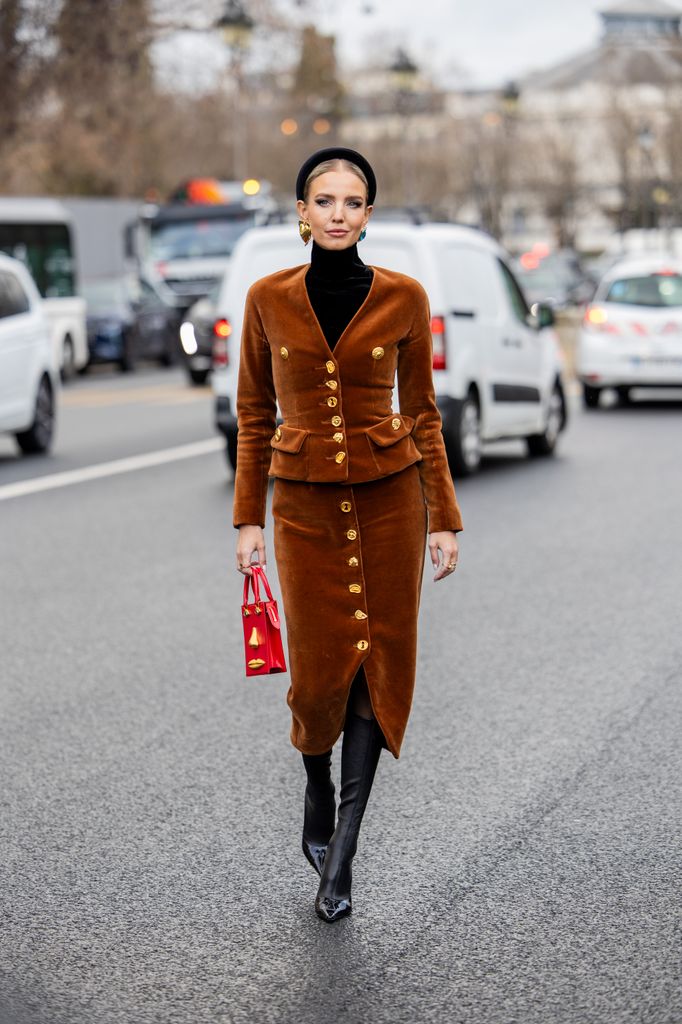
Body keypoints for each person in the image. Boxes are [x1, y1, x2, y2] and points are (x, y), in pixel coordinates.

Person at [234, 147, 463, 923]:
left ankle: (344, 855)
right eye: (323, 200)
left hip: (393, 504)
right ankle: (314, 785)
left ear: (369, 214)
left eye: (353, 201)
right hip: (303, 510)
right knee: (321, 672)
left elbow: (425, 415)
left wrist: (446, 520)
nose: (337, 212)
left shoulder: (405, 297)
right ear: (301, 212)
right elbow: (255, 417)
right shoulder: (266, 299)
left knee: (376, 669)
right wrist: (247, 521)